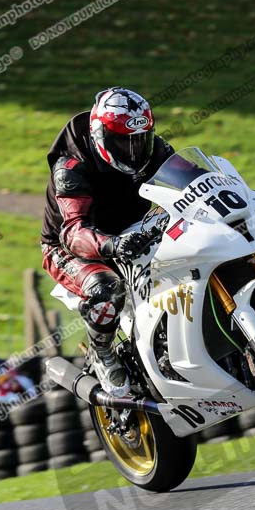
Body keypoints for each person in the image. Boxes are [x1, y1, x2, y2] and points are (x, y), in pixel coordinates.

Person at [40, 87, 175, 396]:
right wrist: (113, 246)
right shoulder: (71, 167)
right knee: (106, 288)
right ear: (101, 136)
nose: (133, 150)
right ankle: (102, 353)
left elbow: (191, 180)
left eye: (141, 139)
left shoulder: (153, 150)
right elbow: (74, 232)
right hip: (70, 246)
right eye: (123, 142)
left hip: (131, 228)